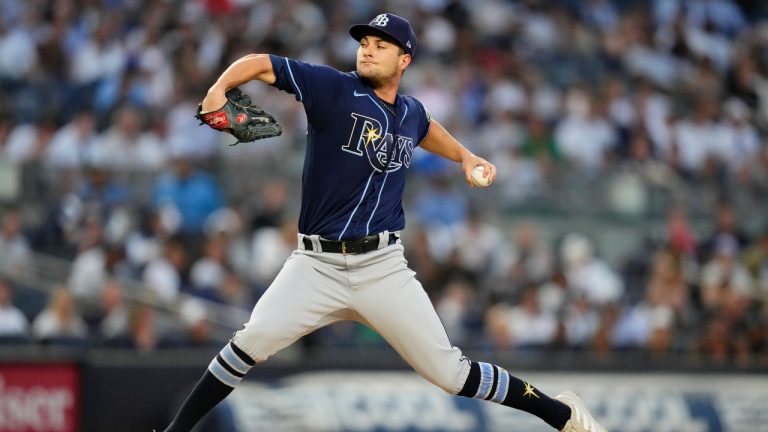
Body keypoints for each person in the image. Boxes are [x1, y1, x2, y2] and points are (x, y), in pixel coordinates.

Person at [161, 13, 606, 432]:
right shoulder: (333, 89)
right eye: (365, 43)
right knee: (248, 343)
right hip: (316, 266)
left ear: (404, 59)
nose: (368, 51)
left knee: (450, 373)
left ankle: (562, 415)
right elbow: (259, 63)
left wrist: (466, 156)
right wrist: (218, 90)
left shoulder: (410, 112)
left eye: (381, 45)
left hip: (382, 267)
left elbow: (427, 127)